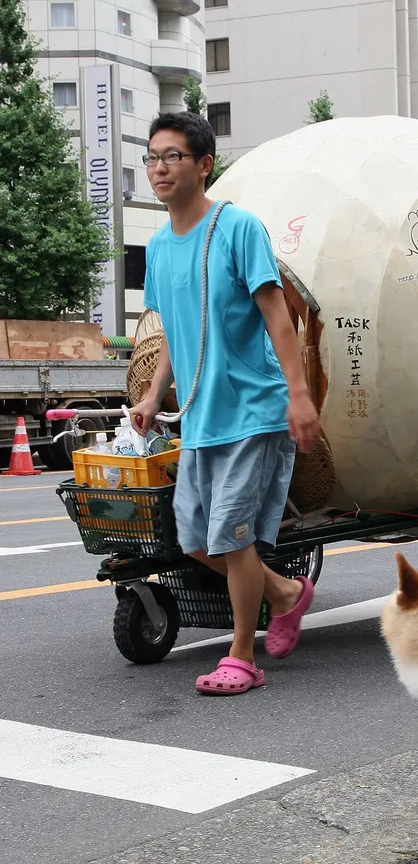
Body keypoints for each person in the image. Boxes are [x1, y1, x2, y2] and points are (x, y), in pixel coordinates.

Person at [130, 112, 322, 696]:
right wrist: (155, 391)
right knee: (193, 540)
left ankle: (243, 655)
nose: (159, 168)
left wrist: (299, 394)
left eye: (173, 157)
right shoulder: (160, 246)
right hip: (201, 415)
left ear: (204, 165)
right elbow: (175, 334)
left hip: (252, 408)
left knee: (232, 536)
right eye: (153, 157)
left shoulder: (237, 228)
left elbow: (276, 315)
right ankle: (285, 593)